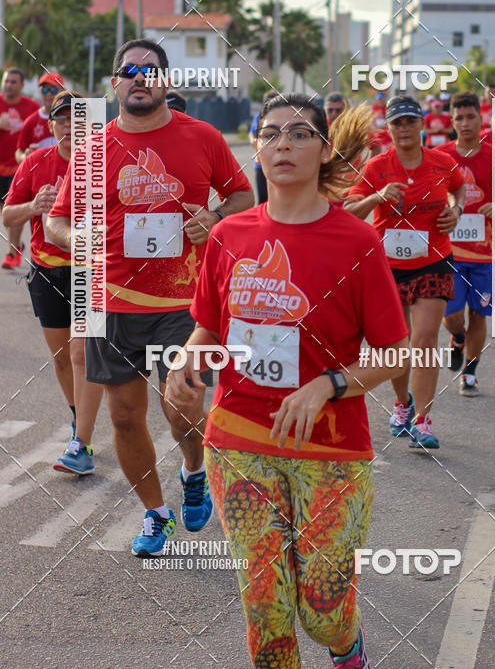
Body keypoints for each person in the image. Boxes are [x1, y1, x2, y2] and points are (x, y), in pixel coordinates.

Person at [165, 92, 410, 669]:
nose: (284, 144)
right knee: (265, 608)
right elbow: (209, 326)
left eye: (300, 134)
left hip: (331, 446)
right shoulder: (229, 236)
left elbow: (398, 354)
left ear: (324, 150)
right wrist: (184, 362)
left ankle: (346, 644)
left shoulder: (357, 241)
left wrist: (328, 383)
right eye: (271, 133)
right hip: (237, 438)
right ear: (256, 146)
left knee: (322, 610)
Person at [46, 38, 254, 556]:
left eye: (152, 70)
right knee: (122, 415)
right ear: (115, 82)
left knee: (182, 403)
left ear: (166, 81)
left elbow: (243, 196)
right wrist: (77, 240)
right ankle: (156, 514)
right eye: (130, 70)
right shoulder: (94, 148)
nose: (141, 77)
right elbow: (55, 222)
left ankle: (193, 468)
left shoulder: (201, 136)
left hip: (185, 303)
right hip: (111, 300)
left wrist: (216, 217)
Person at [345, 96, 465, 449]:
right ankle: (402, 404)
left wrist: (456, 211)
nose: (404, 128)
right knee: (395, 347)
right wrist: (377, 197)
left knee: (425, 340)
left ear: (422, 123)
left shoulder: (442, 163)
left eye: (410, 121)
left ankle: (423, 421)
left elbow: (458, 188)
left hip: (433, 260)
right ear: (389, 127)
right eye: (397, 123)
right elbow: (351, 212)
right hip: (387, 267)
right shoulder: (376, 168)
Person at [3, 91, 104, 471]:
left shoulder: (102, 164)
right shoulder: (34, 162)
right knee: (63, 359)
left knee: (82, 354)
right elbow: (9, 216)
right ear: (50, 125)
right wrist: (34, 207)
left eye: (76, 119)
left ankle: (82, 444)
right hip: (46, 270)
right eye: (61, 119)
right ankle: (80, 418)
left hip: (90, 270)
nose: (68, 126)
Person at [436, 92, 492, 396]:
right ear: (452, 120)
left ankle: (470, 373)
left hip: (486, 252)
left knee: (479, 314)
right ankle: (457, 337)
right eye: (459, 117)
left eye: (471, 116)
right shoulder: (440, 156)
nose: (465, 122)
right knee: (452, 316)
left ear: (480, 118)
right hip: (449, 253)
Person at [0, 68, 39, 269]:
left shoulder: (31, 107)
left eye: (13, 82)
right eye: (6, 81)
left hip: (19, 170)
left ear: (22, 85)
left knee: (14, 212)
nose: (8, 85)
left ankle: (12, 253)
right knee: (5, 217)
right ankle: (17, 247)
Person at [15, 72, 66, 163]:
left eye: (53, 90)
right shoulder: (31, 121)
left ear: (63, 91)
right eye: (44, 90)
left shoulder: (73, 118)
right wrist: (25, 157)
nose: (48, 94)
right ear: (39, 91)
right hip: (41, 175)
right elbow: (19, 152)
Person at [249, 89, 279, 203]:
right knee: (262, 199)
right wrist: (255, 145)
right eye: (267, 102)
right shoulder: (259, 116)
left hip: (278, 163)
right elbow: (252, 133)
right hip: (261, 164)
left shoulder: (284, 118)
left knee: (278, 199)